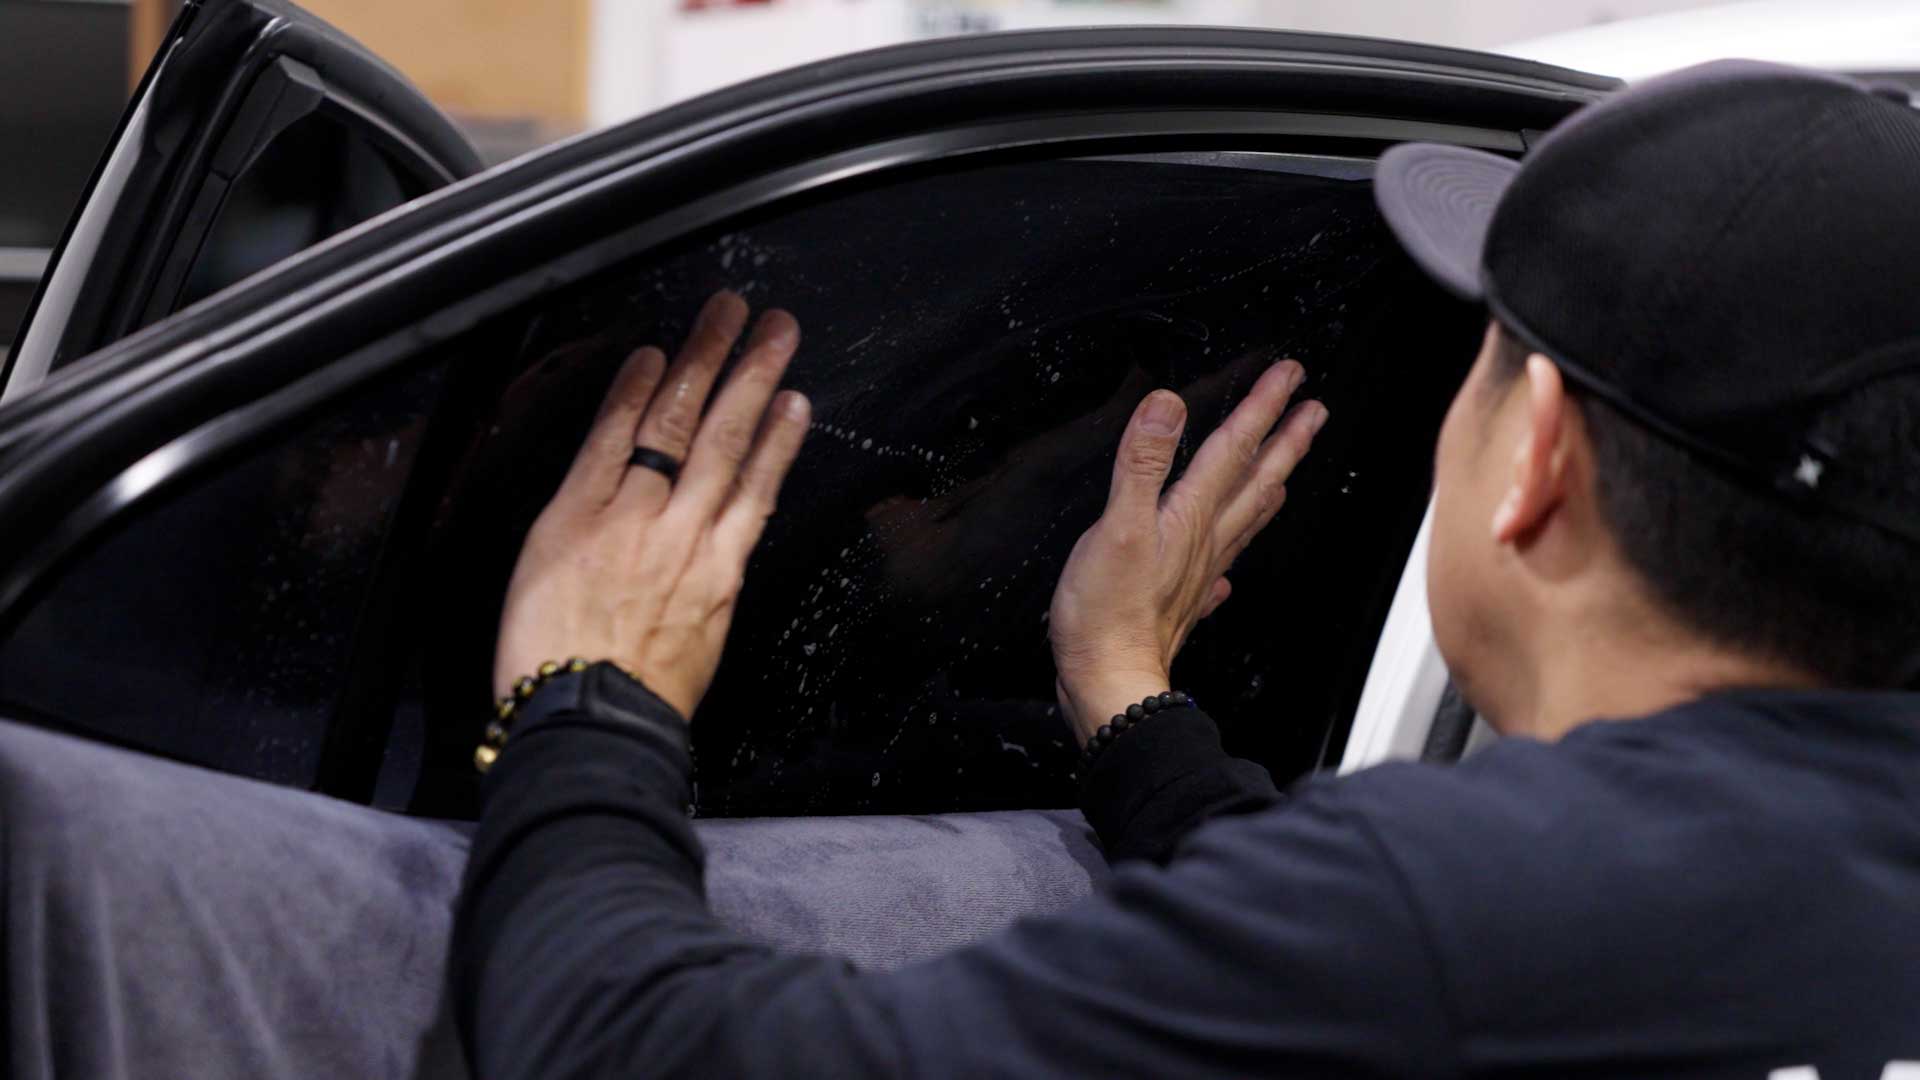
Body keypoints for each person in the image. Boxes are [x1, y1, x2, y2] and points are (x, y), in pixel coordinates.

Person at [452, 60, 1920, 1077]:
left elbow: (630, 1054)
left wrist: (595, 687)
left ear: (1537, 456)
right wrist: (1125, 689)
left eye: (1473, 364)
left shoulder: (1459, 914)